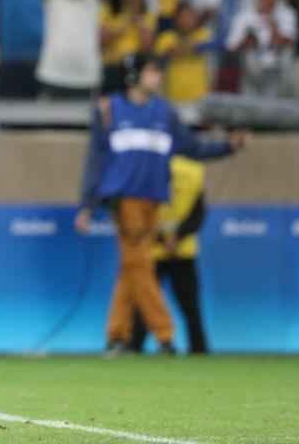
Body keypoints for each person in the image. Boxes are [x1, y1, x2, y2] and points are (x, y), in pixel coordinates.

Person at [75, 53, 246, 356]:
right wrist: (87, 205)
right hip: (125, 199)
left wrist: (228, 147)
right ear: (134, 76)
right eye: (152, 71)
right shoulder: (109, 109)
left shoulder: (164, 113)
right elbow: (95, 160)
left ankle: (116, 335)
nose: (158, 77)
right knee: (140, 265)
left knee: (132, 267)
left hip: (153, 200)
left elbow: (192, 148)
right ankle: (164, 334)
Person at [128, 156, 212, 355]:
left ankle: (134, 347)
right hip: (181, 249)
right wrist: (179, 236)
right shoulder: (194, 169)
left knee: (147, 300)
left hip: (155, 249)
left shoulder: (148, 165)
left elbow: (141, 211)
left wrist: (162, 238)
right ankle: (199, 349)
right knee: (189, 304)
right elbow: (198, 213)